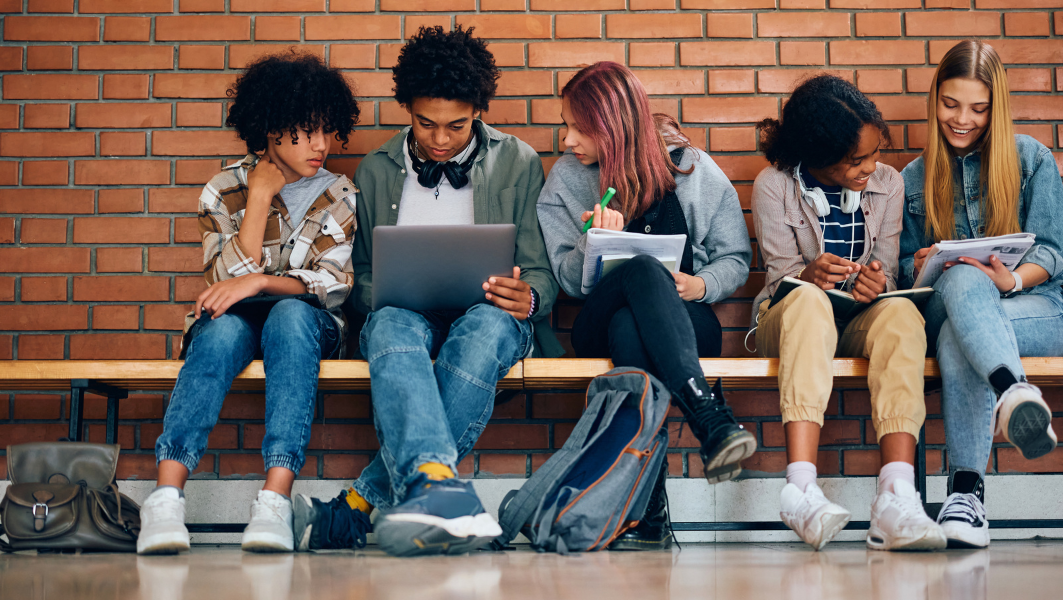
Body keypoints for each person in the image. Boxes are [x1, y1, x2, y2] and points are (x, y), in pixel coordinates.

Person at [291, 26, 561, 557]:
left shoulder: (519, 162)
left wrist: (527, 298)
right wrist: (385, 289)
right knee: (388, 322)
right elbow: (360, 277)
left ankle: (364, 505)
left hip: (489, 314)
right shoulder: (376, 170)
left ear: (479, 111)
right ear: (406, 110)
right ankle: (437, 494)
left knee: (483, 328)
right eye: (425, 123)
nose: (439, 139)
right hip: (405, 314)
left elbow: (540, 272)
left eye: (456, 126)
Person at [136, 52, 360, 555]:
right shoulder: (224, 189)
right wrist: (258, 197)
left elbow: (330, 285)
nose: (320, 146)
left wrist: (258, 282)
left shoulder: (341, 192)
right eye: (304, 132)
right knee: (216, 330)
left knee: (289, 315)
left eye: (327, 131)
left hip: (307, 322)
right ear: (270, 128)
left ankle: (274, 500)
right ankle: (166, 498)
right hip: (234, 320)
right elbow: (221, 286)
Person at [537, 61, 757, 550]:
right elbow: (568, 281)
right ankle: (708, 415)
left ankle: (649, 504)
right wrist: (592, 241)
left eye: (578, 127)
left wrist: (697, 286)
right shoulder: (566, 180)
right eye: (565, 124)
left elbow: (735, 258)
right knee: (639, 270)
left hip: (682, 317)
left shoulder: (690, 168)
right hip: (595, 317)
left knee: (632, 330)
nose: (567, 139)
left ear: (612, 126)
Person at [752, 74, 945, 551]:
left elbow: (889, 271)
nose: (870, 168)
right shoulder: (774, 186)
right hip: (790, 316)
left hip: (856, 316)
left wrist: (878, 281)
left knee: (902, 317)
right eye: (855, 161)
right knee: (809, 300)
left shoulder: (888, 184)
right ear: (819, 156)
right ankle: (800, 488)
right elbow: (779, 283)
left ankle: (896, 495)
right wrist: (809, 274)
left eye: (875, 153)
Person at [900, 40, 1063, 549]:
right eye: (951, 104)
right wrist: (918, 264)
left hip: (1032, 310)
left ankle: (966, 496)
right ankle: (1013, 391)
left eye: (978, 107)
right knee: (962, 278)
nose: (962, 119)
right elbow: (899, 278)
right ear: (935, 100)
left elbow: (1052, 255)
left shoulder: (1031, 159)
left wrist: (1011, 280)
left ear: (997, 106)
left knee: (959, 335)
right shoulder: (912, 178)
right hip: (947, 305)